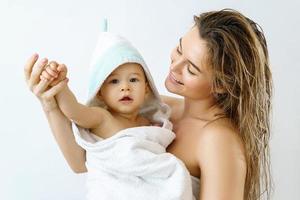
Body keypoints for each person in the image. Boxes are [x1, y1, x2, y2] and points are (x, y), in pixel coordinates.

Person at [24, 9, 272, 200]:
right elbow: (83, 162)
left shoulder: (219, 140)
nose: (174, 66)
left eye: (191, 68)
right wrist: (50, 103)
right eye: (179, 49)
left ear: (222, 85)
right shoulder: (158, 107)